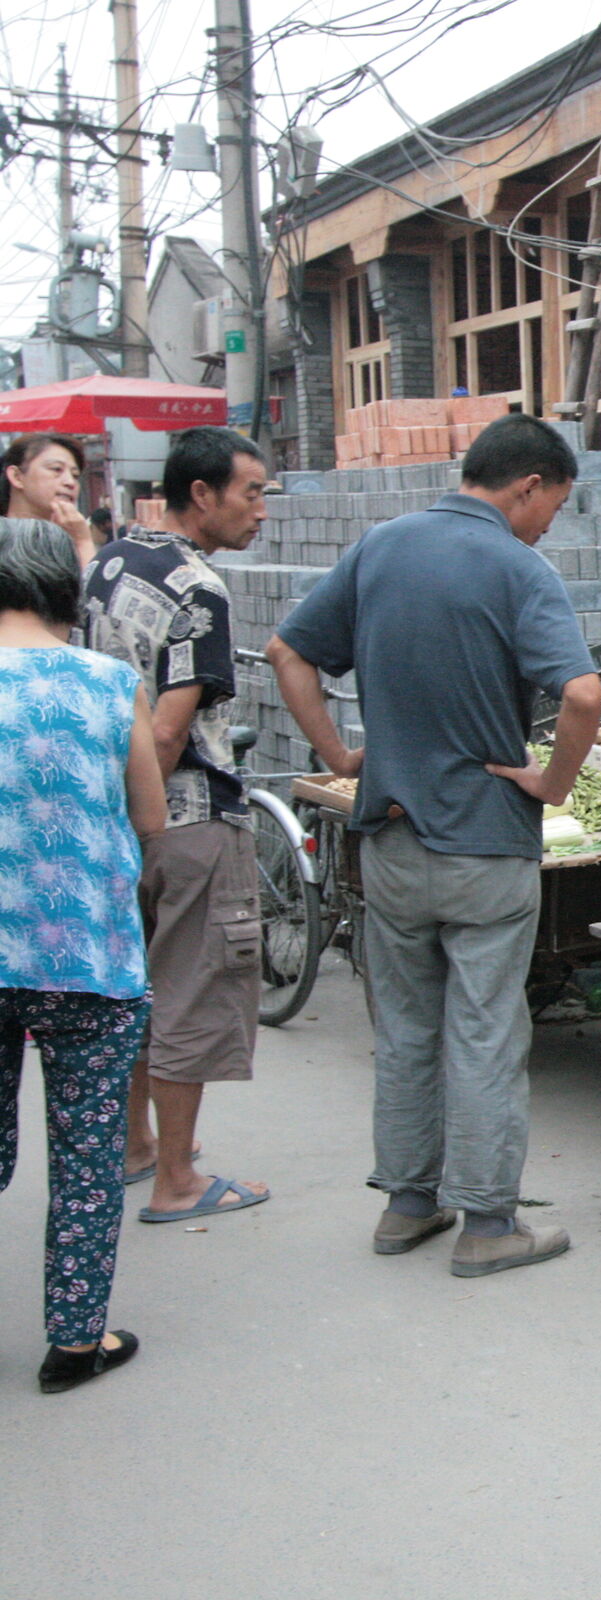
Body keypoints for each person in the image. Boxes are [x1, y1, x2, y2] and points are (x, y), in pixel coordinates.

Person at [268, 414, 601, 1278]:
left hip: (388, 838)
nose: (547, 527)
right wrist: (552, 785)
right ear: (526, 486)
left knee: (409, 1027)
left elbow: (287, 653)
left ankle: (408, 1203)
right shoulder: (515, 566)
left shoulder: (381, 548)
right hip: (486, 845)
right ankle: (489, 1224)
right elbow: (583, 696)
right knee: (488, 1030)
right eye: (552, 509)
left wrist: (340, 756)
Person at [76, 426, 273, 1223]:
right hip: (184, 817)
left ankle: (136, 1148)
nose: (261, 511)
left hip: (110, 818)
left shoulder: (106, 563)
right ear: (203, 494)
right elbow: (164, 730)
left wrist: (117, 824)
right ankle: (179, 1181)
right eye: (251, 493)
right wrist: (149, 820)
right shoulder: (199, 588)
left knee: (135, 991)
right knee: (190, 992)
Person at [0, 517, 166, 1391]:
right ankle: (74, 1342)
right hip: (85, 958)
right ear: (62, 592)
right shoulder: (106, 683)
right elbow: (149, 817)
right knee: (89, 1151)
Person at [4, 434, 99, 568]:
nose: (70, 482)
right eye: (56, 469)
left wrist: (82, 542)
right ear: (17, 477)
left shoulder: (70, 543)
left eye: (75, 475)